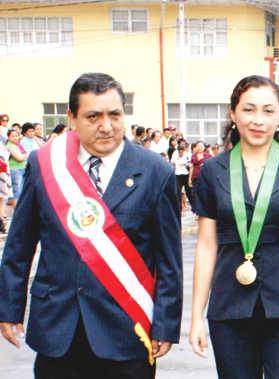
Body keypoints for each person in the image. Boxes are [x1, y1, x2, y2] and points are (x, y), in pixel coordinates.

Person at [0, 73, 182, 378]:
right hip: (58, 328)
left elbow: (168, 259)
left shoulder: (155, 171)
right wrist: (9, 306)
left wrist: (165, 324)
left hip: (127, 328)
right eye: (93, 116)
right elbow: (20, 243)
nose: (106, 126)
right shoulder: (45, 165)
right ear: (72, 118)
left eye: (115, 114)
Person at [189, 75, 279, 378]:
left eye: (268, 111)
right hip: (230, 307)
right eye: (248, 109)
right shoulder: (213, 170)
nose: (258, 120)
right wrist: (196, 315)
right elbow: (206, 246)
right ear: (233, 113)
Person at [5, 129, 27, 207]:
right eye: (13, 136)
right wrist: (24, 156)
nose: (15, 138)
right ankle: (16, 210)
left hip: (22, 168)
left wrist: (23, 156)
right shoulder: (9, 146)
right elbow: (19, 158)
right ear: (8, 137)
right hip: (15, 169)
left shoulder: (18, 145)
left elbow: (25, 154)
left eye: (16, 136)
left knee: (21, 189)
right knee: (16, 190)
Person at [188, 141, 209, 208]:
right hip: (195, 177)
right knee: (195, 194)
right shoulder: (193, 156)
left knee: (204, 193)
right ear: (196, 147)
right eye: (198, 146)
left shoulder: (208, 156)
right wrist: (189, 179)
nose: (200, 148)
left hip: (204, 177)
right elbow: (191, 168)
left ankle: (204, 209)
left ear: (204, 147)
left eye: (201, 146)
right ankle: (197, 210)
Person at [171, 143, 191, 211]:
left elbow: (189, 163)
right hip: (178, 174)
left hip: (185, 174)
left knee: (189, 191)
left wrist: (187, 165)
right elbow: (172, 163)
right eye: (179, 151)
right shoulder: (175, 154)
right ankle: (179, 207)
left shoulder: (187, 154)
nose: (181, 153)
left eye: (182, 151)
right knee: (178, 191)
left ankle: (193, 208)